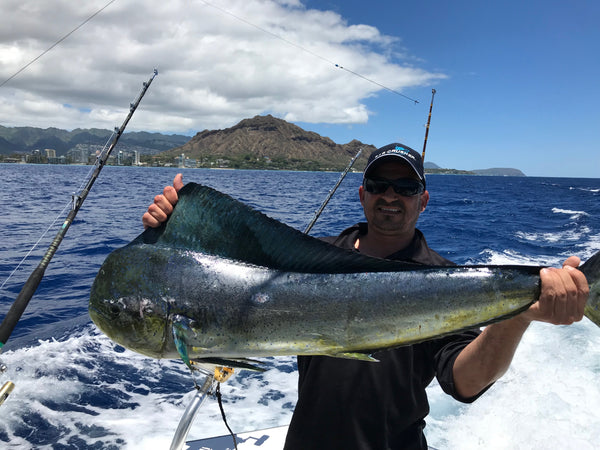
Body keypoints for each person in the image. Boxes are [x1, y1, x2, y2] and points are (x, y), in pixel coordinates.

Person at [142, 143, 589, 449]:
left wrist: (519, 316)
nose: (390, 196)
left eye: (405, 188)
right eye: (379, 186)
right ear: (362, 195)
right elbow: (227, 287)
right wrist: (172, 233)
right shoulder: (308, 262)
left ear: (424, 200)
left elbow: (464, 382)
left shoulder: (446, 281)